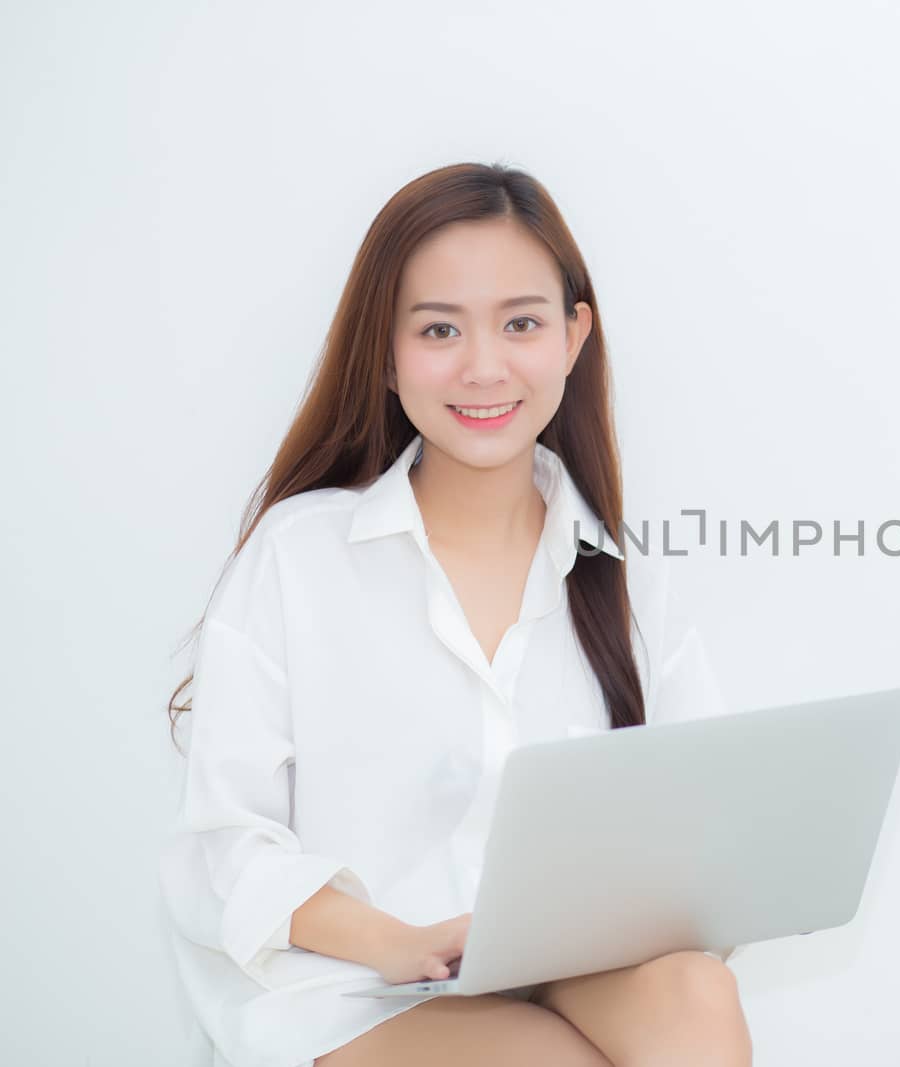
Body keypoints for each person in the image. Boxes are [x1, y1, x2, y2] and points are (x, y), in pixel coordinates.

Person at [158, 162, 753, 1067]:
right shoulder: (301, 555)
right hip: (355, 986)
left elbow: (704, 828)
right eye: (440, 329)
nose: (484, 366)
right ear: (388, 357)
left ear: (572, 336)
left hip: (565, 964)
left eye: (521, 322)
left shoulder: (622, 576)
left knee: (696, 990)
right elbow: (224, 851)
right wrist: (400, 940)